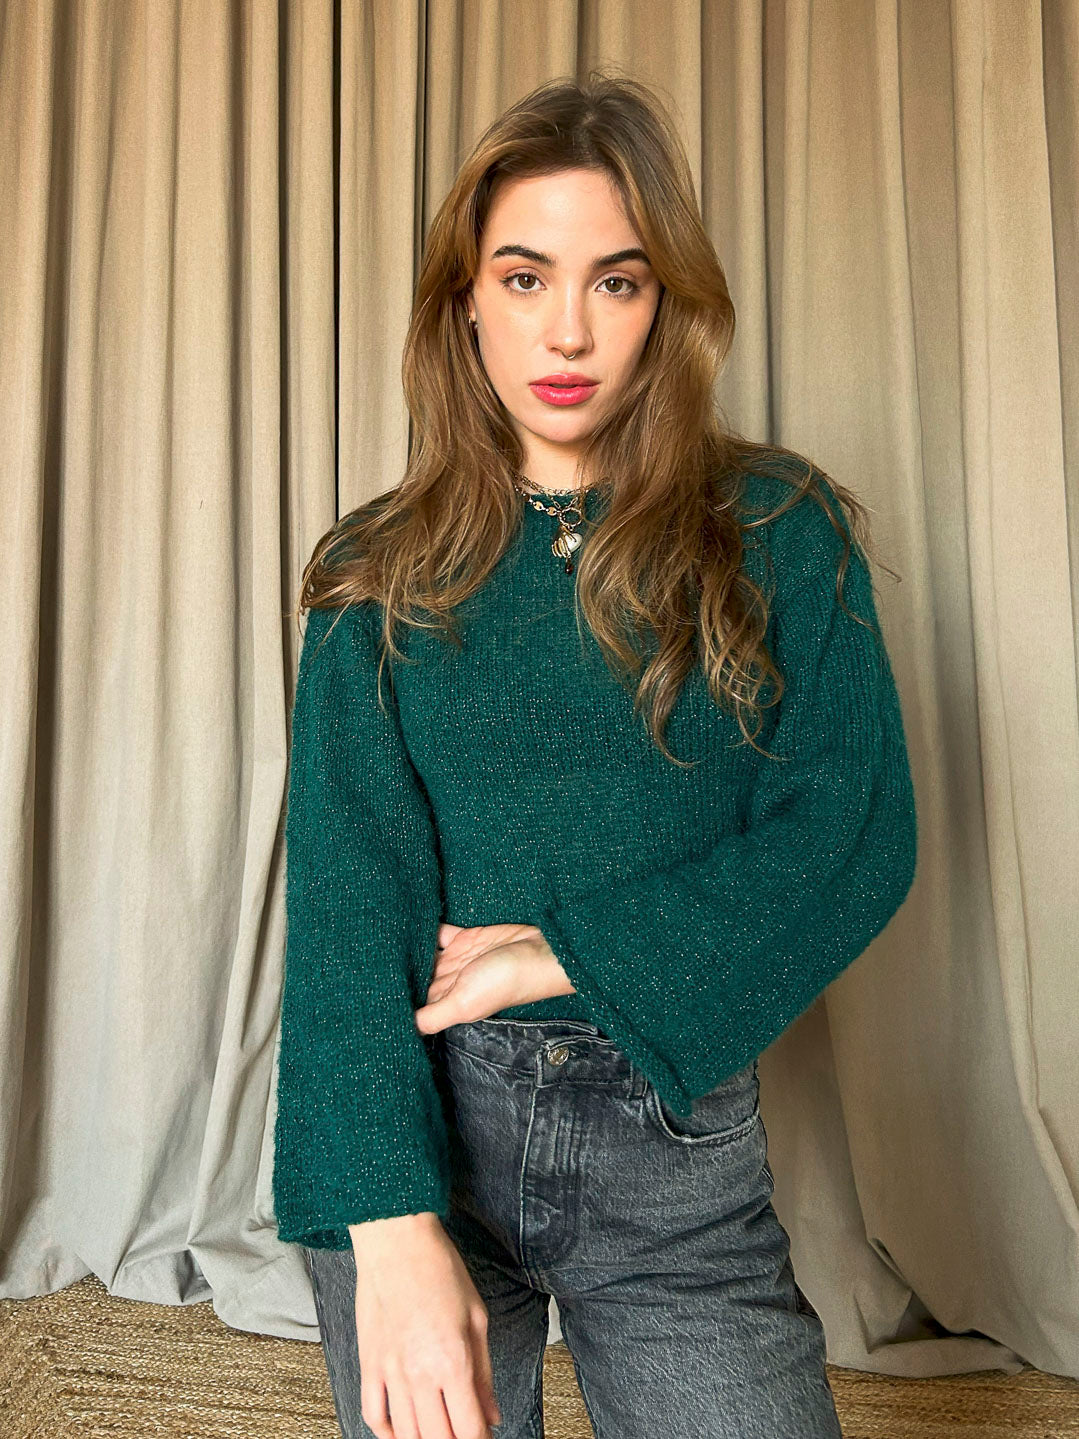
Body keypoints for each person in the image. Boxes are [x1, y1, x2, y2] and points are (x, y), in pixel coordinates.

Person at [272, 68, 917, 1439]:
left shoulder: (778, 531)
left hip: (674, 1153)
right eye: (524, 278)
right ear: (466, 299)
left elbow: (853, 832)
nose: (567, 329)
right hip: (424, 1130)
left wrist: (565, 953)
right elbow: (345, 914)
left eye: (616, 282)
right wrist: (388, 1229)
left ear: (664, 302)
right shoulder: (375, 572)